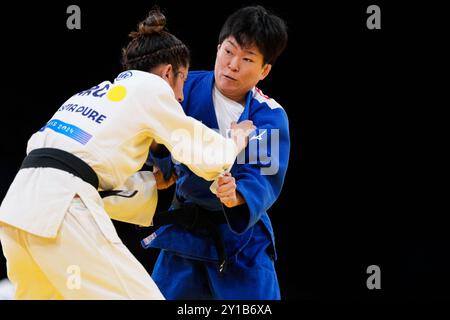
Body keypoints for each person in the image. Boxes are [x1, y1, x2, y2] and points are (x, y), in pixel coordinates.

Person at [0, 8, 254, 300]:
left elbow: (76, 174)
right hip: (59, 214)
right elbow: (207, 157)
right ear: (168, 72)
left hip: (16, 213)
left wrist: (148, 184)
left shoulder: (88, 96)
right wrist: (233, 141)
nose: (182, 96)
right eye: (182, 80)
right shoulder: (149, 88)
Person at [143, 5, 289, 299]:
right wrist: (159, 164)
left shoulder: (269, 116)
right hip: (185, 233)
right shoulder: (184, 88)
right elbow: (155, 136)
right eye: (229, 52)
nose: (233, 64)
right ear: (218, 47)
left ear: (264, 70)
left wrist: (236, 195)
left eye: (247, 59)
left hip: (241, 243)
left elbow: (262, 178)